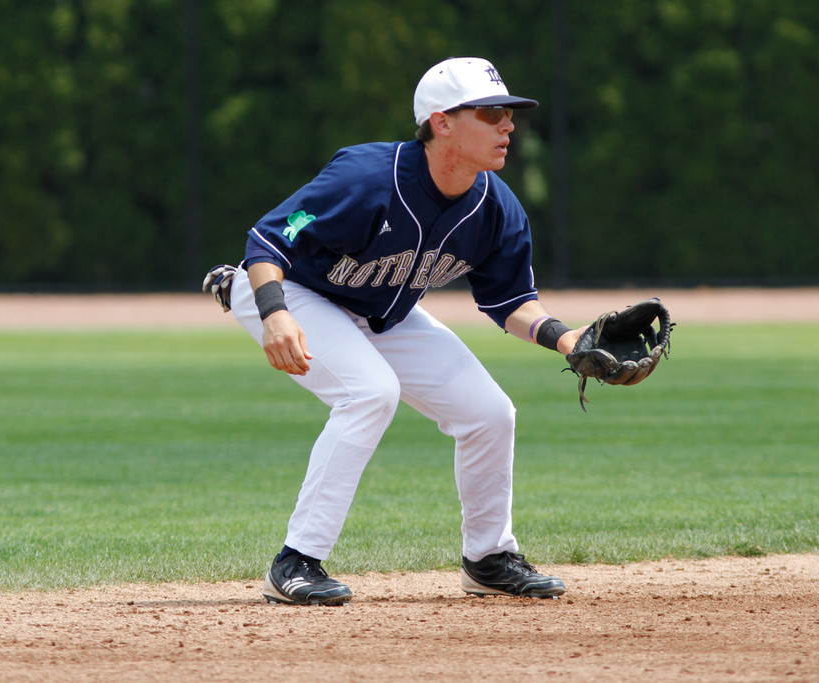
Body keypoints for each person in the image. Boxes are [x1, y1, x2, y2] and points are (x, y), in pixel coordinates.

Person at [222, 57, 583, 605]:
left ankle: (488, 558)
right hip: (291, 290)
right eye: (491, 113)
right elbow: (270, 240)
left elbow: (510, 301)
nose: (508, 125)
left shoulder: (494, 206)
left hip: (381, 311)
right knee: (370, 392)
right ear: (441, 123)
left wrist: (565, 338)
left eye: (509, 114)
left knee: (490, 413)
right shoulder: (367, 177)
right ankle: (295, 562)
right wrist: (273, 311)